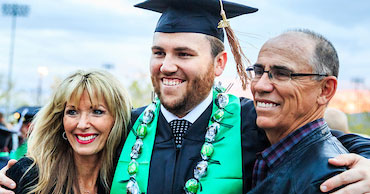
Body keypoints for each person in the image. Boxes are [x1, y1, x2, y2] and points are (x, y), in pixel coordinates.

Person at [1, 1, 370, 194]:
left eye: (184, 54)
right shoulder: (127, 125)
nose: (167, 65)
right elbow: (59, 157)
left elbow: (324, 143)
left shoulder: (250, 124)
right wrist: (10, 177)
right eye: (159, 52)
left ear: (219, 62)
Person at [245, 29, 353, 193]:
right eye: (259, 72)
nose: (260, 85)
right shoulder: (265, 148)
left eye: (282, 74)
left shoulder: (331, 181)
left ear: (325, 90)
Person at [5, 70, 131, 194]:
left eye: (97, 112)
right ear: (61, 119)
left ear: (117, 120)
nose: (82, 124)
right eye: (72, 112)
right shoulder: (28, 175)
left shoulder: (133, 178)